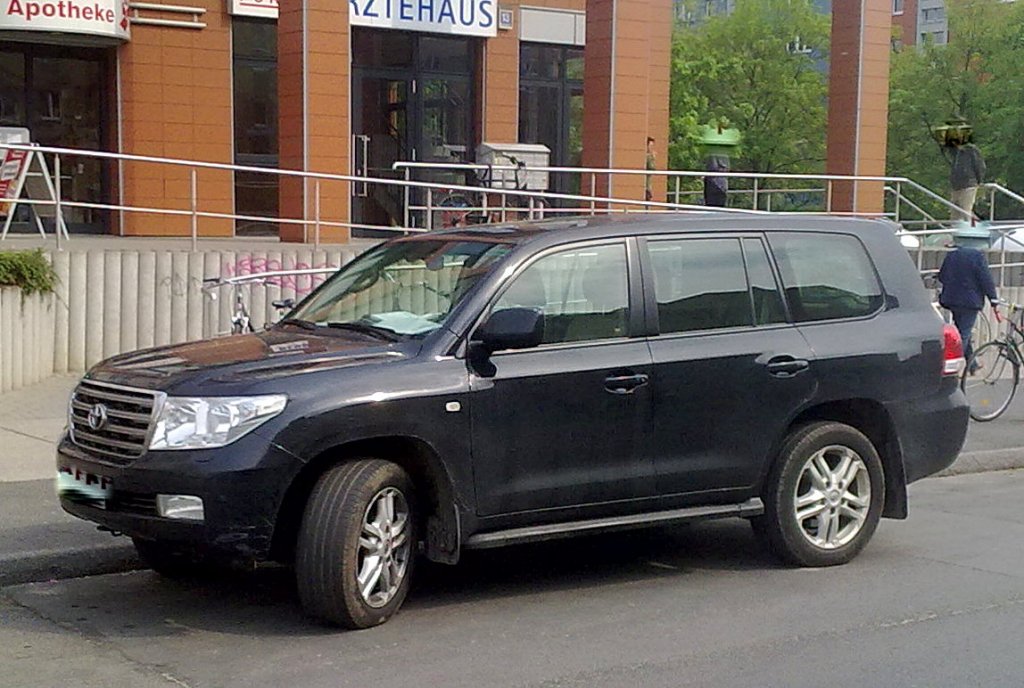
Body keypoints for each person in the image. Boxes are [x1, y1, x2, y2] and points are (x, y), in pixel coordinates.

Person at [938, 225, 998, 372]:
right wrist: (993, 300)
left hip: (951, 299)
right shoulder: (977, 257)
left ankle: (972, 364)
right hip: (970, 302)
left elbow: (942, 275)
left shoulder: (952, 255)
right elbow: (986, 280)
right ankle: (951, 366)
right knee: (963, 334)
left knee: (962, 331)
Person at [948, 136, 986, 221]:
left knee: (966, 210)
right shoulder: (955, 152)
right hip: (956, 186)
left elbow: (980, 166)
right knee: (955, 214)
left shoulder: (971, 150)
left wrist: (979, 181)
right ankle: (956, 231)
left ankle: (971, 230)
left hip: (969, 184)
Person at [645, 137, 656, 202]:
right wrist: (653, 158)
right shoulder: (648, 156)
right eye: (650, 146)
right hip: (646, 184)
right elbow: (651, 167)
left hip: (648, 183)